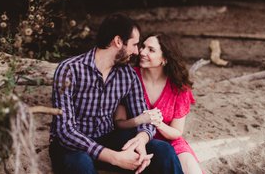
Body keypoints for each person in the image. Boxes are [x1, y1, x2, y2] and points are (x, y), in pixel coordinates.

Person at [49, 14, 183, 174]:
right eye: (134, 44)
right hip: (72, 144)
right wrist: (114, 157)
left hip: (108, 137)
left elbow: (144, 115)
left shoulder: (127, 74)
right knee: (81, 164)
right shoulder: (69, 70)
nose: (136, 51)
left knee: (163, 151)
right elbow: (65, 131)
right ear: (118, 41)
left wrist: (141, 139)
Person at [114, 33, 203, 174]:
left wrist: (158, 123)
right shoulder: (129, 77)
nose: (142, 52)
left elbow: (177, 132)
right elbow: (119, 123)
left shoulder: (179, 86)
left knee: (192, 170)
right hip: (137, 139)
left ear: (165, 59)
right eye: (143, 47)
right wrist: (141, 120)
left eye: (151, 50)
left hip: (170, 141)